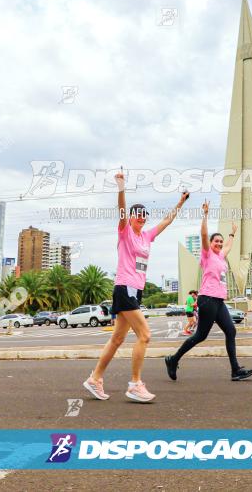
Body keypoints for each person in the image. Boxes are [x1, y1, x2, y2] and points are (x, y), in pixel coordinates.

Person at [84, 170, 189, 403]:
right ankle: (135, 384)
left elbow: (167, 221)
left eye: (144, 215)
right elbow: (121, 211)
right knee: (145, 334)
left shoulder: (147, 236)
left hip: (135, 291)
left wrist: (180, 203)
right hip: (124, 288)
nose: (141, 217)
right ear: (131, 217)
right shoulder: (125, 233)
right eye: (138, 214)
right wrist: (121, 187)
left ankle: (95, 378)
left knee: (117, 339)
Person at [165, 201, 252, 382]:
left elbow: (228, 246)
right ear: (210, 243)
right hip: (207, 299)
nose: (219, 244)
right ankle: (173, 360)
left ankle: (235, 370)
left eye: (220, 242)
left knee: (231, 331)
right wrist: (205, 215)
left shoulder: (221, 256)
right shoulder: (207, 254)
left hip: (219, 301)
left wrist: (232, 233)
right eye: (216, 241)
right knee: (200, 336)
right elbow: (204, 234)